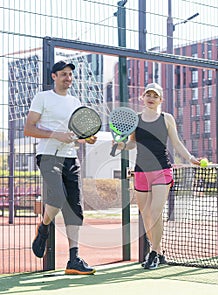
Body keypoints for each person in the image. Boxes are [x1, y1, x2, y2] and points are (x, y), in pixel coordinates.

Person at [115, 82, 200, 269]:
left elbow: (176, 143)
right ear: (142, 98)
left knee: (155, 213)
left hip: (162, 170)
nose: (151, 98)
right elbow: (131, 144)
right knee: (146, 215)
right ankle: (159, 252)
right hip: (140, 171)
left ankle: (152, 252)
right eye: (148, 95)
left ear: (161, 99)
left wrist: (190, 157)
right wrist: (121, 145)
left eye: (155, 95)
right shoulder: (135, 119)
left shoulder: (167, 118)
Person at [24, 60, 97, 275]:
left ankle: (73, 259)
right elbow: (29, 128)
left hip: (70, 157)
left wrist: (87, 138)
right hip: (48, 155)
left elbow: (76, 135)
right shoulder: (43, 98)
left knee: (75, 208)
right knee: (56, 198)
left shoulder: (75, 101)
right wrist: (56, 135)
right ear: (54, 76)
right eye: (63, 74)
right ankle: (44, 226)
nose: (68, 78)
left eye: (70, 74)